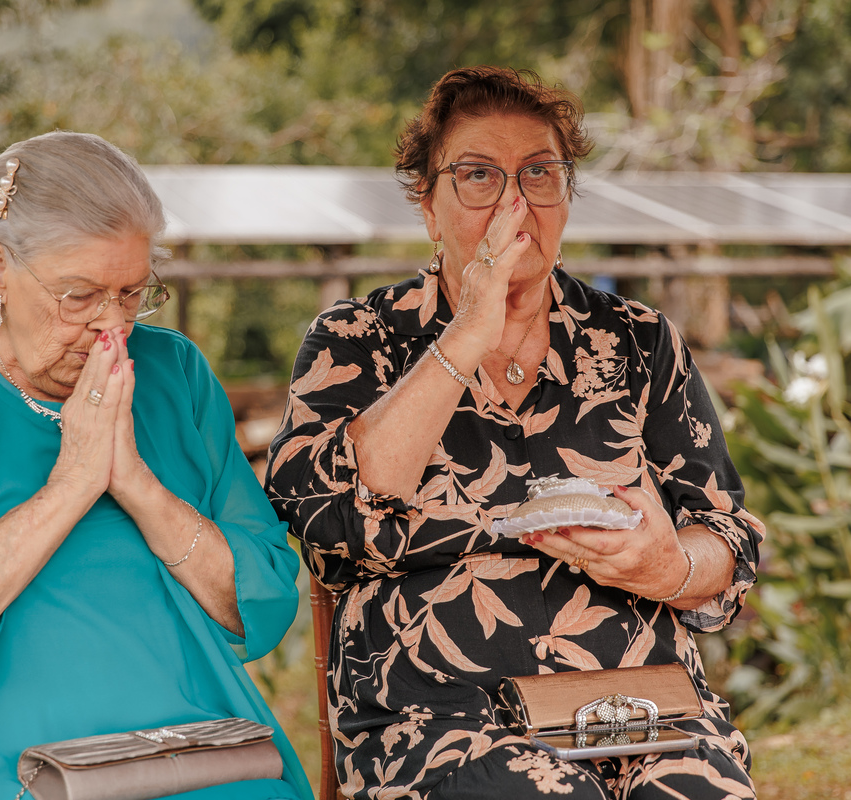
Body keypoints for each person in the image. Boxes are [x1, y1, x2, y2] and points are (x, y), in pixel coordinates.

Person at [265, 67, 763, 800]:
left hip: (635, 709)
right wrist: (467, 332)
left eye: (540, 173)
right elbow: (325, 516)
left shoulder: (638, 341)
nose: (513, 201)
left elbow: (728, 532)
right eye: (476, 176)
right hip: (439, 720)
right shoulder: (358, 340)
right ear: (428, 208)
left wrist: (671, 568)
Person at [0, 131, 310, 800]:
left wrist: (136, 483)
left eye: (132, 293)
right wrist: (73, 483)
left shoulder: (174, 374)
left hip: (193, 756)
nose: (112, 327)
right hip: (5, 765)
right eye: (79, 296)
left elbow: (264, 600)